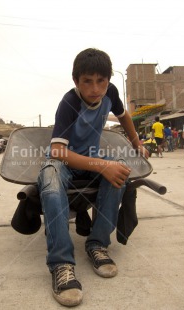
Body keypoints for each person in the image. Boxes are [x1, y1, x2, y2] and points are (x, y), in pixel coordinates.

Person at [37, 48, 149, 307]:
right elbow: (57, 151)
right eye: (87, 81)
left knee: (118, 171)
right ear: (76, 81)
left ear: (108, 80)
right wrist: (101, 164)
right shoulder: (69, 102)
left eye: (101, 80)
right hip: (63, 161)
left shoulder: (110, 93)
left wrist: (136, 142)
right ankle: (61, 264)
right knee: (52, 183)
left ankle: (97, 244)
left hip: (91, 158)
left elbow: (123, 116)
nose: (95, 88)